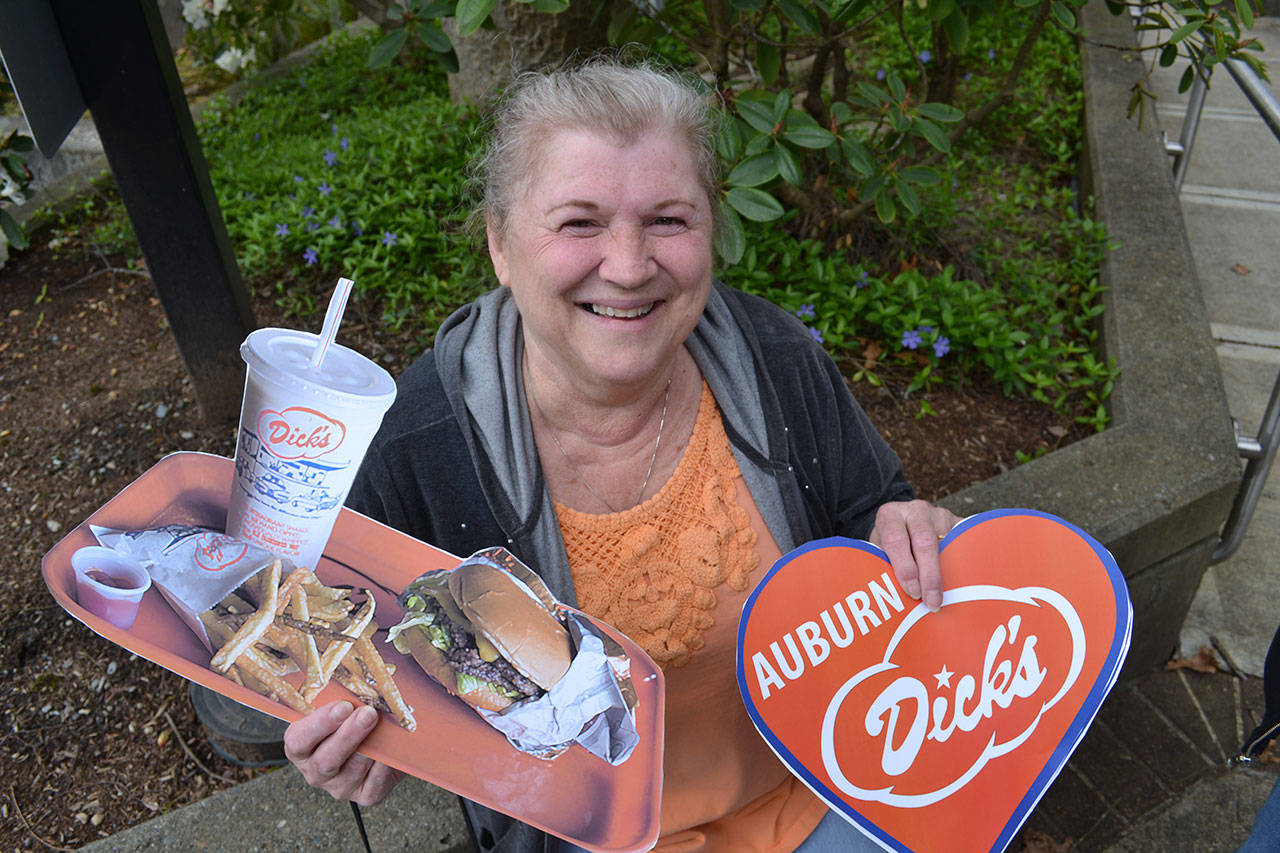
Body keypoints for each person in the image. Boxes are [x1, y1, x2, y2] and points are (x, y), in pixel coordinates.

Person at [282, 57, 961, 852]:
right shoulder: (419, 445)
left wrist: (908, 530)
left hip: (828, 793)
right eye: (579, 222)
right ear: (501, 243)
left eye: (669, 219)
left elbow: (872, 509)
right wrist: (354, 736)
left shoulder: (774, 358)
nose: (631, 265)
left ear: (713, 226)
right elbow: (354, 660)